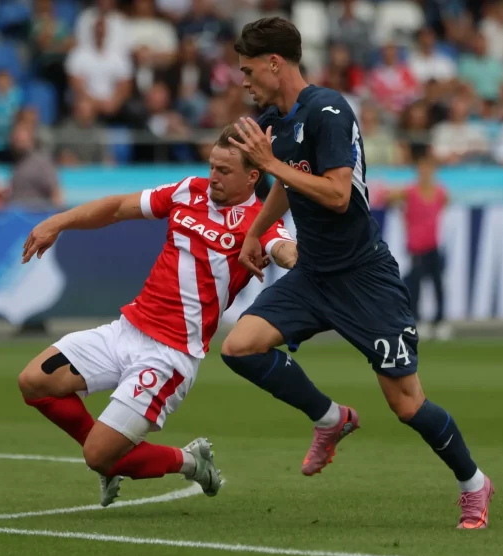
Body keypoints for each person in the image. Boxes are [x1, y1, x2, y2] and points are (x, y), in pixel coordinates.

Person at [221, 17, 494, 529]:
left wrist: (270, 164)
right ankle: (331, 418)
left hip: (363, 277)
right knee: (240, 347)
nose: (244, 79)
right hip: (313, 274)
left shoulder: (329, 110)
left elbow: (337, 193)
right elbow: (288, 186)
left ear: (275, 63)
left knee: (407, 405)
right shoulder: (277, 121)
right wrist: (257, 231)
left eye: (249, 69)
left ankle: (474, 485)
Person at [17, 125, 297, 507]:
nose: (213, 176)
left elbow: (283, 248)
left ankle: (189, 462)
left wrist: (293, 259)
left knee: (97, 456)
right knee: (34, 380)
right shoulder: (189, 191)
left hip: (169, 355)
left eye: (224, 171)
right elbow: (117, 207)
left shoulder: (259, 223)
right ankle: (115, 457)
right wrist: (58, 222)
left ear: (252, 176)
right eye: (212, 166)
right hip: (127, 330)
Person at [385, 147, 451, 341]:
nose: (425, 173)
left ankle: (439, 321)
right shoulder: (410, 191)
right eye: (422, 169)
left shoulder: (440, 193)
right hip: (416, 247)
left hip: (433, 245)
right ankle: (417, 320)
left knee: (438, 284)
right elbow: (389, 199)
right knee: (416, 285)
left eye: (428, 169)